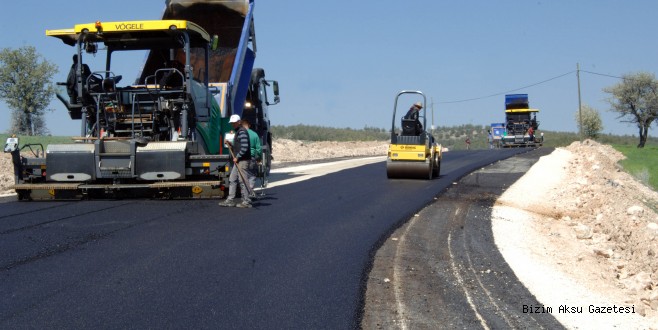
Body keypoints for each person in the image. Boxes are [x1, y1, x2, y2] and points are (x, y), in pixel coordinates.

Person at [219, 114, 255, 208]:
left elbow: (244, 147)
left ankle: (246, 201)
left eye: (234, 123)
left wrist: (237, 157)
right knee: (232, 179)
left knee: (242, 180)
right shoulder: (238, 131)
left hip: (242, 160)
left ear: (239, 122)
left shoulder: (242, 132)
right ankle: (230, 200)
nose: (233, 124)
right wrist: (230, 145)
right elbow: (239, 146)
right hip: (239, 160)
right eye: (232, 123)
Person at [241, 118, 262, 195]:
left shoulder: (240, 133)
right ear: (249, 125)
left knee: (243, 175)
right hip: (252, 157)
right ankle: (250, 190)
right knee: (252, 174)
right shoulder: (254, 134)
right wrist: (259, 158)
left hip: (242, 158)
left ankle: (244, 192)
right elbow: (258, 148)